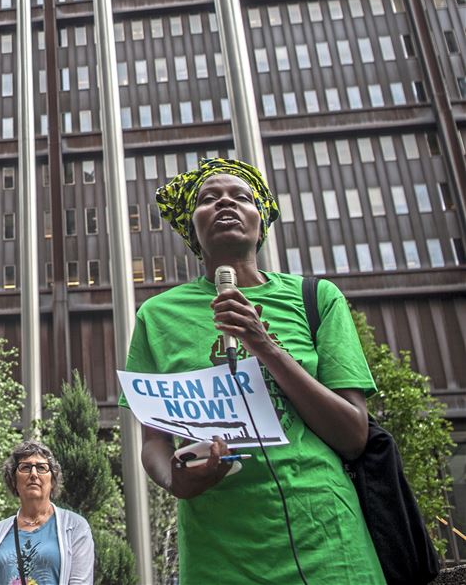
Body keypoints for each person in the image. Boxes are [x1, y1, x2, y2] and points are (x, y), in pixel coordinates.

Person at [124, 157, 384, 584]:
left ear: (260, 222)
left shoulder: (317, 298)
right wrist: (175, 479)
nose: (226, 203)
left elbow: (354, 435)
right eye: (209, 199)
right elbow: (153, 441)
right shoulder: (156, 316)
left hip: (326, 538)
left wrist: (264, 345)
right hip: (219, 548)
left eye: (241, 196)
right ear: (192, 227)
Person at [0, 442, 93, 585]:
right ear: (14, 480)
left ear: (53, 480)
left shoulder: (75, 526)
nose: (33, 474)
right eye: (25, 467)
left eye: (41, 468)